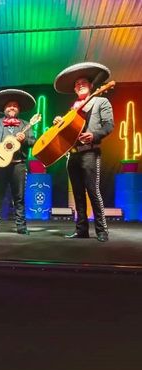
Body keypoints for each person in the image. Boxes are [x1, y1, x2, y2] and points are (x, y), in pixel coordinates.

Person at [53, 62, 114, 242]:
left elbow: (109, 125)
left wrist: (94, 135)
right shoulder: (72, 109)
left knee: (93, 191)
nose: (80, 85)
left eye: (84, 82)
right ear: (74, 89)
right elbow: (67, 134)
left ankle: (102, 230)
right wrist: (60, 123)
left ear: (91, 86)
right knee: (78, 193)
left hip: (90, 152)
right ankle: (81, 230)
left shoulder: (101, 101)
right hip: (73, 154)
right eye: (77, 83)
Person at [0, 89, 36, 234]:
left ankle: (21, 227)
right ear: (4, 108)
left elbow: (33, 142)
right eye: (9, 105)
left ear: (19, 109)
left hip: (18, 164)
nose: (12, 107)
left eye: (15, 105)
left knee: (19, 198)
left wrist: (25, 140)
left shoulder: (26, 124)